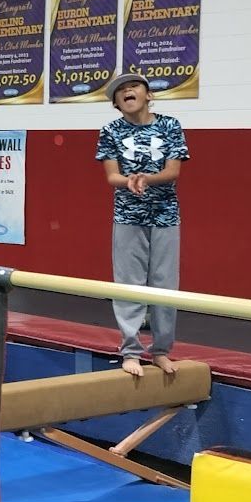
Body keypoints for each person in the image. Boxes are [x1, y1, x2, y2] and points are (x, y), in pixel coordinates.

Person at [96, 72, 189, 377]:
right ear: (116, 103)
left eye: (133, 86)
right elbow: (111, 177)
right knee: (128, 284)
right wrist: (129, 181)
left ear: (149, 95)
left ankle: (161, 350)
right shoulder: (110, 130)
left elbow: (173, 170)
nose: (127, 91)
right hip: (127, 217)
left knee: (164, 285)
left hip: (165, 215)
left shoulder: (170, 126)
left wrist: (146, 179)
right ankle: (131, 351)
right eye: (120, 91)